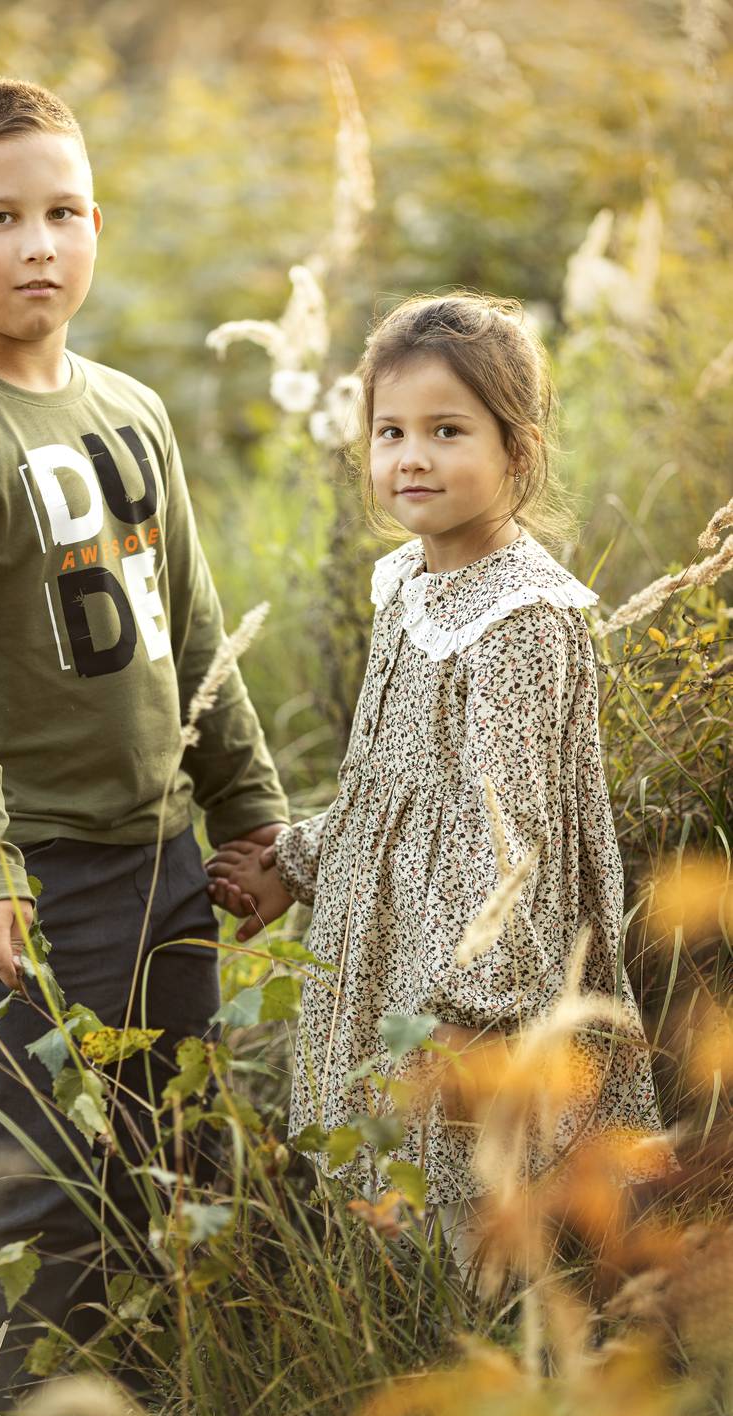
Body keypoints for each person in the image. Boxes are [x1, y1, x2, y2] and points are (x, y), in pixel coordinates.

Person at [0, 77, 288, 1405]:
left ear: (96, 223)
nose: (36, 243)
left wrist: (252, 816)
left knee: (175, 1153)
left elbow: (195, 631)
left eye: (62, 212)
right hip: (31, 875)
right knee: (37, 1181)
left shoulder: (131, 411)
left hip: (163, 859)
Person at [207, 291, 664, 1269]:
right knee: (414, 1189)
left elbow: (511, 832)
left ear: (517, 452)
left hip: (474, 979)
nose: (411, 456)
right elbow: (387, 782)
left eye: (447, 431)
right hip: (401, 948)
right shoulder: (410, 585)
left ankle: (516, 1339)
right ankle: (433, 1323)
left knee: (484, 1192)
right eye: (391, 432)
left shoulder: (520, 620)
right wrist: (296, 861)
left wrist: (472, 1006)